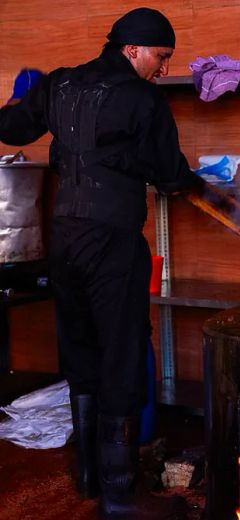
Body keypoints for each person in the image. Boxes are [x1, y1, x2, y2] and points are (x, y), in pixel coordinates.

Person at [0, 7, 199, 519]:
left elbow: (14, 128)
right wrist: (194, 183)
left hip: (65, 237)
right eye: (161, 56)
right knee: (123, 352)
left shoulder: (60, 84)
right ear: (132, 49)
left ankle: (88, 479)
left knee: (80, 346)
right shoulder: (142, 98)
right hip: (112, 240)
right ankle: (117, 495)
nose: (163, 67)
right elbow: (169, 172)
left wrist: (23, 97)